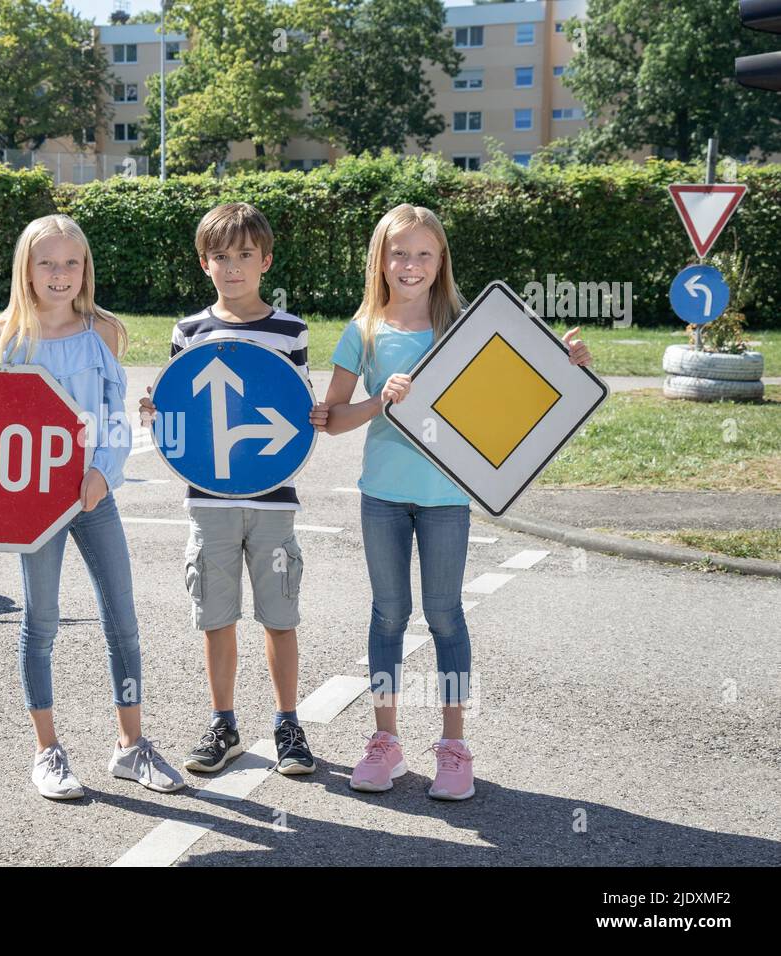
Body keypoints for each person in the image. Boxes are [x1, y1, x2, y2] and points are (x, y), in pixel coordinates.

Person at [0, 214, 185, 800]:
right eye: (46, 263)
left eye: (71, 263)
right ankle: (48, 751)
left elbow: (114, 419)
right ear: (25, 268)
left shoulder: (103, 331)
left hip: (92, 497)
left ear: (86, 269)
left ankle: (131, 747)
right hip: (33, 511)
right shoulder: (4, 336)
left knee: (122, 617)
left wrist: (103, 470)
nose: (59, 275)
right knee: (42, 621)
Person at [311, 204, 592, 800]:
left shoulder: (466, 325)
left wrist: (566, 364)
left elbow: (522, 387)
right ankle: (385, 744)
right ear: (379, 260)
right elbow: (330, 421)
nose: (410, 265)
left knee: (445, 617)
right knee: (388, 616)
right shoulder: (362, 331)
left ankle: (454, 749)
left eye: (423, 254)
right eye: (398, 253)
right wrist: (379, 402)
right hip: (382, 496)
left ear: (441, 262)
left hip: (446, 498)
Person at [140, 202, 317, 777]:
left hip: (271, 500)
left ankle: (288, 723)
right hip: (208, 500)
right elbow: (179, 412)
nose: (233, 267)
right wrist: (154, 411)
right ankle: (224, 723)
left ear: (266, 260)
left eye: (245, 255)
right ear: (204, 264)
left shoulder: (291, 330)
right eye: (221, 256)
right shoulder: (188, 331)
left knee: (279, 617)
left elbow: (297, 406)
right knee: (216, 617)